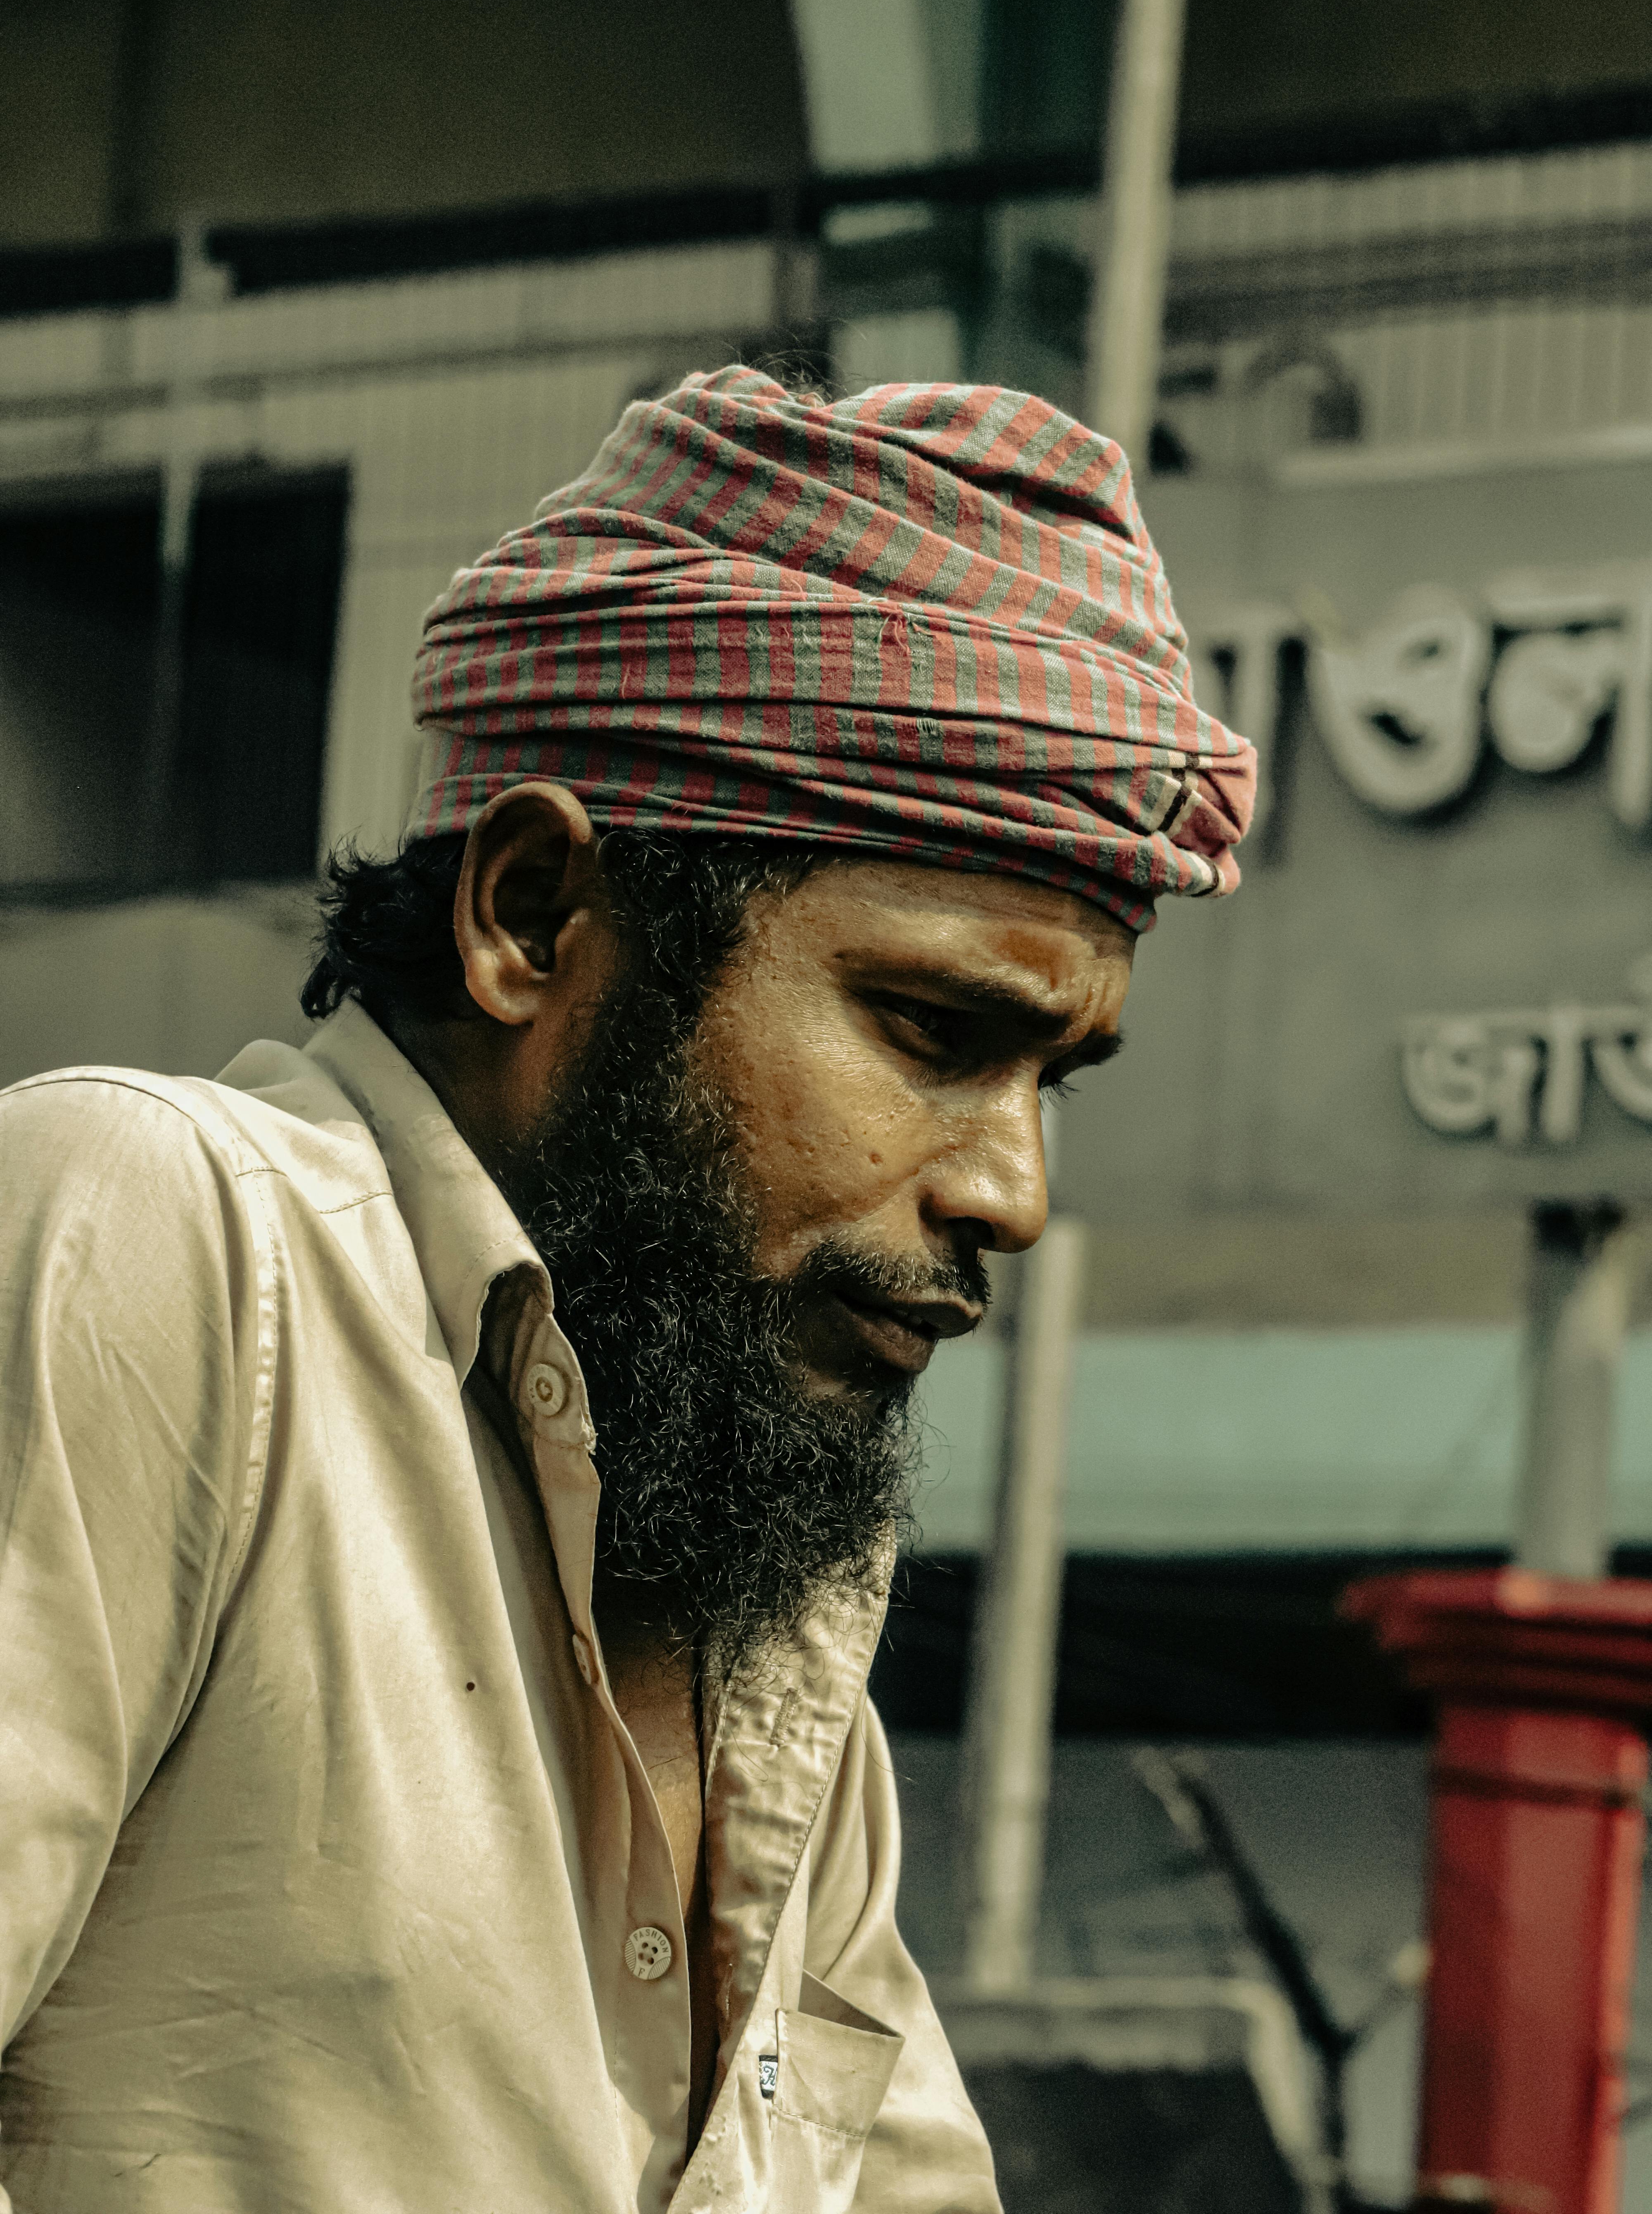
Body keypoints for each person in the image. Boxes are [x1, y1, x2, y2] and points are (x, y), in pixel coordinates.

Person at [0, 368, 1253, 2214]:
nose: (1012, 1191)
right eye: (931, 1033)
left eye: (1047, 1080)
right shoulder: (168, 1240)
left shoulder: (770, 1644)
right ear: (528, 915)